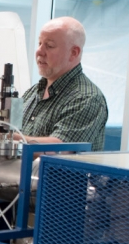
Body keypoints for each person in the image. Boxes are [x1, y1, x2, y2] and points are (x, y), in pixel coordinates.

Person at [18, 16, 108, 152]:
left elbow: (59, 148)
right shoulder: (33, 92)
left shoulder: (88, 98)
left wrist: (11, 140)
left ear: (74, 53)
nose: (39, 52)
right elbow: (12, 128)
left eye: (49, 46)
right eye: (39, 43)